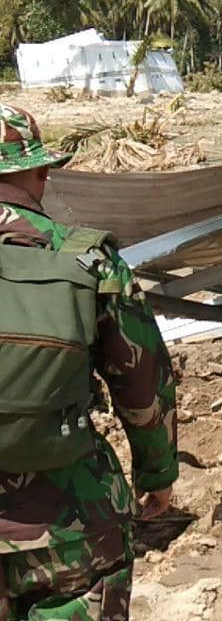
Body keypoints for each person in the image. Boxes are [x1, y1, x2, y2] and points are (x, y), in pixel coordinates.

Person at [0, 104, 177, 620]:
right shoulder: (88, 260)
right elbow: (143, 382)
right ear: (41, 172)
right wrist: (157, 474)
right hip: (72, 524)